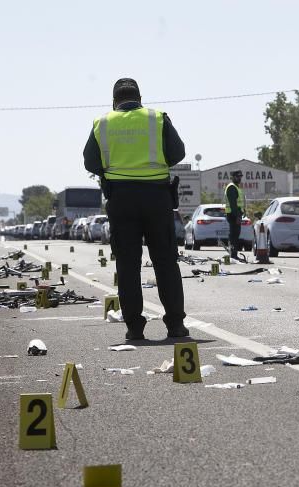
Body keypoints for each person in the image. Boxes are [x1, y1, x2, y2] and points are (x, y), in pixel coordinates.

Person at [83, 77, 189, 340]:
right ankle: (175, 325)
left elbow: (90, 162)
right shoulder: (157, 118)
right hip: (156, 197)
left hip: (121, 199)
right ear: (140, 99)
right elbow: (178, 153)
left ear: (113, 101)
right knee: (165, 262)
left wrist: (116, 168)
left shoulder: (102, 123)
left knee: (128, 266)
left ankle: (134, 327)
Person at [224, 170, 245, 259]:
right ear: (232, 177)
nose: (239, 178)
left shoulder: (236, 187)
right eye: (237, 176)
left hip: (236, 214)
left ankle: (233, 254)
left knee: (235, 235)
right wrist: (237, 216)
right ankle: (233, 255)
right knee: (234, 235)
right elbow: (233, 204)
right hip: (233, 215)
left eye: (240, 176)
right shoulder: (232, 187)